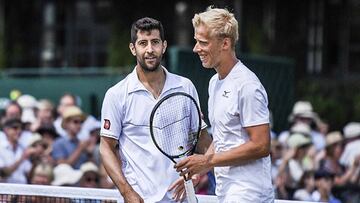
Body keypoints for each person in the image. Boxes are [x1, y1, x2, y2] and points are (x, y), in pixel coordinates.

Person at [99, 17, 209, 203]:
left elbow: (203, 140)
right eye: (143, 43)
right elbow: (106, 148)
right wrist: (127, 192)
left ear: (164, 46)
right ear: (133, 48)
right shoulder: (116, 94)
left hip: (181, 199)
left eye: (155, 42)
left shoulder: (186, 86)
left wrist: (198, 172)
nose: (150, 49)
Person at [174, 7, 274, 202]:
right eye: (196, 42)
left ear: (225, 43)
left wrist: (206, 161)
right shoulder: (214, 82)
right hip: (226, 192)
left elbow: (261, 145)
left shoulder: (247, 85)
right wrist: (199, 170)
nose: (196, 49)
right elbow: (222, 140)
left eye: (203, 42)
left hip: (250, 194)